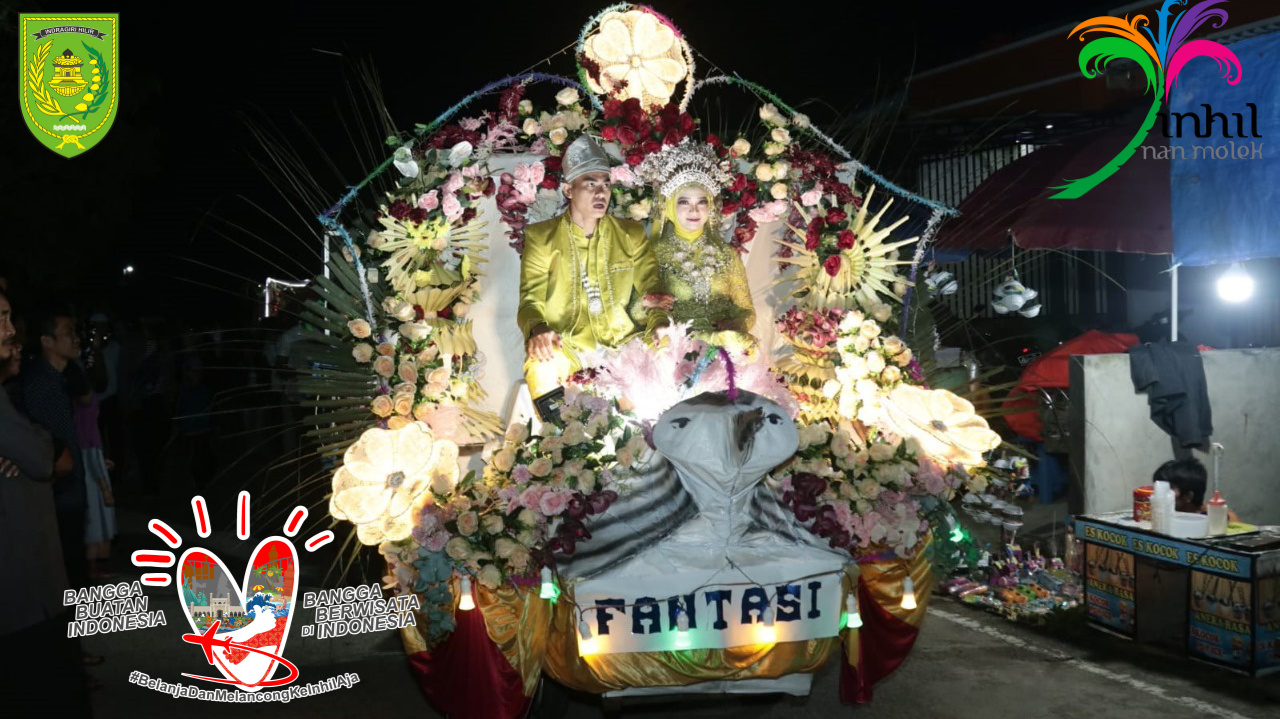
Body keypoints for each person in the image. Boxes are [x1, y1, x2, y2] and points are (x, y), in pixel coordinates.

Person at [518, 134, 669, 397]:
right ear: (568, 190)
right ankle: (566, 438)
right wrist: (538, 328)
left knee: (667, 349)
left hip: (624, 343)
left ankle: (646, 435)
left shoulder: (630, 234)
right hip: (566, 344)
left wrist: (658, 322)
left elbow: (652, 286)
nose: (601, 193)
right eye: (590, 184)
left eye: (606, 185)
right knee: (540, 365)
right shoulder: (542, 237)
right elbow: (530, 302)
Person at [0, 289, 92, 715]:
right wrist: (43, 449)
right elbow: (44, 454)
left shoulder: (56, 381)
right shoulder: (34, 387)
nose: (9, 330)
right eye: (1, 319)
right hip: (25, 590)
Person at [636, 139, 757, 353]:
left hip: (721, 347)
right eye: (684, 202)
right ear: (670, 206)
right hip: (673, 347)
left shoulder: (727, 254)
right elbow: (635, 312)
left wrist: (734, 325)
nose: (694, 210)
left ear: (711, 207)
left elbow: (746, 311)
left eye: (702, 202)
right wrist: (647, 303)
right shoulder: (652, 253)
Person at [1153, 457, 1239, 519]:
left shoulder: (1213, 520)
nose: (1158, 495)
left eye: (1167, 490)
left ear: (1188, 496)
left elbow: (1232, 517)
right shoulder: (1159, 514)